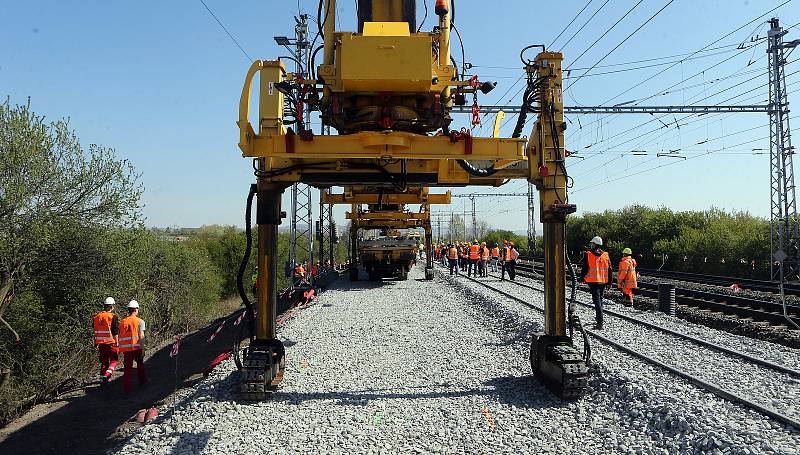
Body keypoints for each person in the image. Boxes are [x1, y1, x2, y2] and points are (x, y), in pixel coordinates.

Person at [580, 236, 613, 329]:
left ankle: (600, 322)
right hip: (603, 281)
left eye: (592, 243)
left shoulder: (588, 254)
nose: (591, 245)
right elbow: (610, 269)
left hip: (593, 282)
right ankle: (599, 317)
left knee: (597, 301)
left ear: (595, 244)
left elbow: (585, 268)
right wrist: (610, 282)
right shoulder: (605, 255)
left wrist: (582, 278)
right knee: (600, 300)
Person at [119, 300, 147, 393]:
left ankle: (127, 389)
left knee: (127, 369)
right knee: (140, 365)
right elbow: (141, 336)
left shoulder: (122, 322)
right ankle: (143, 383)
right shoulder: (140, 321)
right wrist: (143, 349)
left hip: (126, 349)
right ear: (136, 309)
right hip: (137, 347)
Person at [93, 297, 119, 383]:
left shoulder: (96, 317)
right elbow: (115, 332)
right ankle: (107, 375)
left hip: (101, 344)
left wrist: (95, 343)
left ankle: (102, 381)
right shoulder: (113, 316)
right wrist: (117, 343)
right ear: (112, 307)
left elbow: (95, 329)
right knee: (114, 361)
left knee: (104, 363)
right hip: (111, 343)